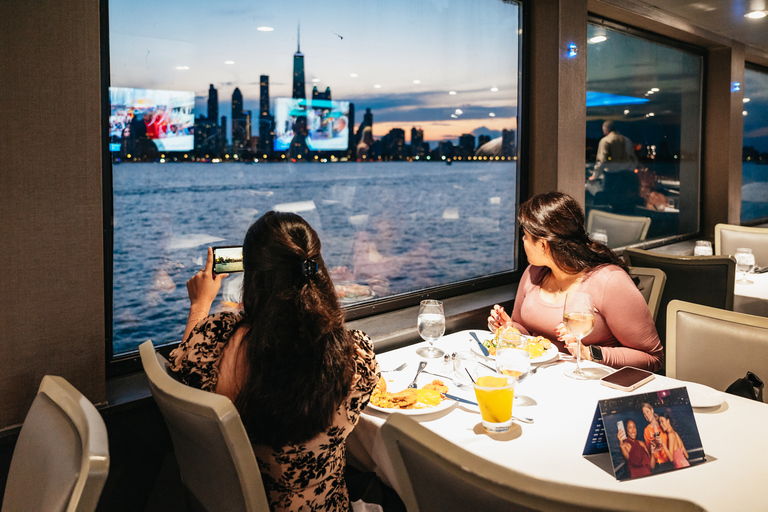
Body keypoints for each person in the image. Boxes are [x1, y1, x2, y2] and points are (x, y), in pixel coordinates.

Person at [169, 211, 381, 511]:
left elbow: (185, 362)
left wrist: (200, 305)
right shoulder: (355, 356)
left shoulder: (217, 343)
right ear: (318, 269)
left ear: (253, 278)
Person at [487, 192, 663, 371]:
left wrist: (590, 354)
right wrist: (510, 329)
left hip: (595, 382)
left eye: (525, 236)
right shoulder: (534, 273)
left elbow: (653, 358)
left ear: (543, 244)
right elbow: (525, 330)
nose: (523, 241)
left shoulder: (609, 281)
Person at [641, 402, 671, 470]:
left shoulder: (662, 425)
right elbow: (649, 451)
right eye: (644, 414)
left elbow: (672, 437)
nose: (646, 415)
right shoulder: (646, 430)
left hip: (668, 462)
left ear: (652, 410)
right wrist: (653, 448)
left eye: (647, 412)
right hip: (657, 465)